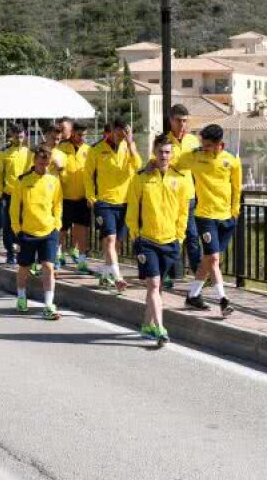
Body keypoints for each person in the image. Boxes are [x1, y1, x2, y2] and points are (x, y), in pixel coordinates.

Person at [127, 134, 189, 345]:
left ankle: (147, 324)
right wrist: (135, 234)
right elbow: (133, 208)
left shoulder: (179, 179)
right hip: (147, 240)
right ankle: (161, 329)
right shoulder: (141, 177)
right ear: (154, 152)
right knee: (153, 284)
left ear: (171, 155)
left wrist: (180, 237)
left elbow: (183, 212)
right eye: (161, 151)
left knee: (158, 286)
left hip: (170, 240)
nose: (164, 155)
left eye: (167, 152)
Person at [177, 124, 243, 317]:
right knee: (214, 259)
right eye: (202, 143)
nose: (203, 147)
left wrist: (235, 211)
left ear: (218, 144)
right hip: (205, 215)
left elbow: (237, 188)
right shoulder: (194, 156)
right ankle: (224, 300)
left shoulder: (232, 160)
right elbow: (173, 164)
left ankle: (193, 296)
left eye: (207, 145)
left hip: (226, 217)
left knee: (208, 259)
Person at [83, 116, 142, 293]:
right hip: (104, 202)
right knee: (109, 239)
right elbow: (88, 175)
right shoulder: (97, 149)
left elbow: (138, 166)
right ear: (112, 131)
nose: (121, 136)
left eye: (125, 134)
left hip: (125, 202)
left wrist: (131, 145)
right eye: (119, 133)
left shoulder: (128, 147)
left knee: (116, 244)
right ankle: (118, 278)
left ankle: (105, 274)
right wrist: (91, 197)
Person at [11, 145, 64, 320]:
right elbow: (14, 208)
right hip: (27, 232)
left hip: (49, 231)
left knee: (48, 266)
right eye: (41, 163)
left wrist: (57, 224)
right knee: (24, 267)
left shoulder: (54, 181)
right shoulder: (22, 181)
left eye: (47, 163)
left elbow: (58, 205)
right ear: (34, 161)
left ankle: (48, 304)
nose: (44, 167)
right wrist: (17, 229)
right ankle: (21, 297)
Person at [166, 104, 202, 287]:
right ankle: (173, 272)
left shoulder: (193, 141)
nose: (182, 124)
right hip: (170, 196)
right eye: (179, 120)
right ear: (171, 120)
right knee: (172, 235)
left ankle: (200, 274)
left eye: (185, 121)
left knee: (193, 236)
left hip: (189, 195)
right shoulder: (164, 141)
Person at [0, 125, 33, 264]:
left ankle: (21, 251)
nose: (19, 139)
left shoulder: (30, 153)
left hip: (25, 195)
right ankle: (10, 252)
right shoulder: (4, 152)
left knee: (23, 225)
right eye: (17, 137)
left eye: (22, 136)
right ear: (12, 135)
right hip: (8, 194)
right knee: (8, 225)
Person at [56, 121, 91, 272]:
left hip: (82, 197)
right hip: (65, 196)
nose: (81, 138)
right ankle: (58, 256)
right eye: (78, 135)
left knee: (81, 230)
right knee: (62, 229)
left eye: (84, 135)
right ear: (73, 133)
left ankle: (82, 260)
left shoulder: (89, 150)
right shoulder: (62, 148)